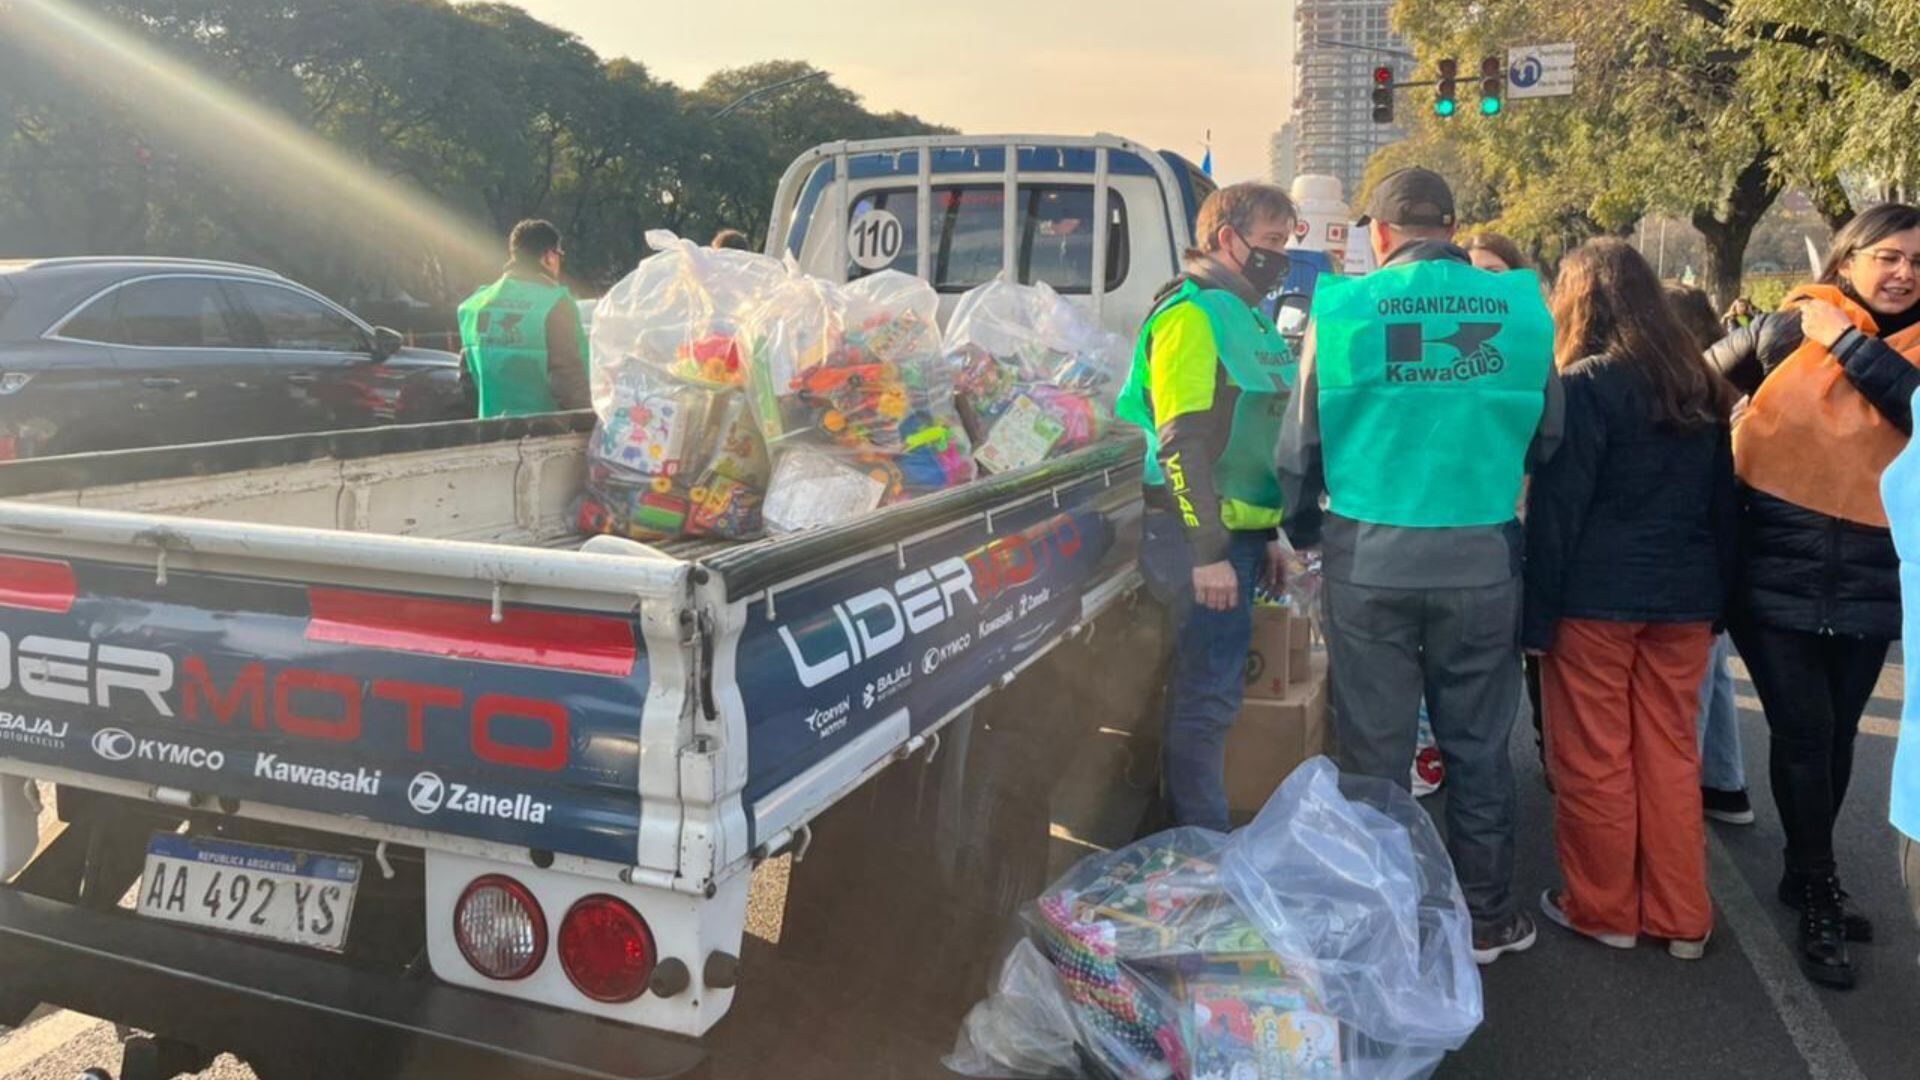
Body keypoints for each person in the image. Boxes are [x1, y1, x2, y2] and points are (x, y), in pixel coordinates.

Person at [1277, 168, 1561, 964]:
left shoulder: (1342, 310)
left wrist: (1305, 532)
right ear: (1454, 225)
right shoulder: (1520, 309)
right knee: (1477, 746)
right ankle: (1486, 918)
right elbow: (1549, 438)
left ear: (1380, 234)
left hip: (1368, 557)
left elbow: (1300, 449)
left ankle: (1382, 918)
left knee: (1375, 750)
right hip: (1481, 556)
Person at [1706, 202, 1920, 989]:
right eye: (1887, 256)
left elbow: (1914, 403)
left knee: (1834, 740)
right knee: (1804, 731)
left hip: (1874, 571)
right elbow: (1692, 374)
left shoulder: (1880, 345)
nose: (1902, 273)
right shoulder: (1792, 324)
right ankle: (1820, 888)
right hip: (1775, 566)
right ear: (1849, 258)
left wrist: (1849, 344)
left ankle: (1806, 872)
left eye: (1917, 263)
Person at [1526, 240, 1737, 960]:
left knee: (1594, 761)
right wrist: (1720, 603)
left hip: (1595, 599)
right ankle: (1684, 916)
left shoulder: (1584, 384)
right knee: (1672, 759)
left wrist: (1536, 617)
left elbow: (1558, 513)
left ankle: (1604, 909)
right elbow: (1723, 506)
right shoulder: (1698, 384)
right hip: (1684, 600)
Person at [1115, 182, 1298, 833]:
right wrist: (1210, 555)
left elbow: (1248, 441)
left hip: (1234, 536)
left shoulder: (1244, 313)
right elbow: (1182, 441)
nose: (1281, 256)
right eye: (1272, 242)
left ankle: (1188, 840)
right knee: (1205, 699)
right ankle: (1202, 853)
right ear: (1227, 238)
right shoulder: (1190, 315)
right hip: (1195, 536)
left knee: (1208, 695)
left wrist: (1268, 533)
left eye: (1285, 243)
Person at [1668, 284, 1755, 825]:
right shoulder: (1733, 385)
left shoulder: (1692, 388)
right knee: (1714, 673)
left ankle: (1687, 801)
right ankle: (1725, 785)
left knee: (1694, 689)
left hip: (1696, 554)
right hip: (1722, 552)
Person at [457, 219, 591, 417]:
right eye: (559, 255)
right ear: (548, 256)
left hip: (491, 430)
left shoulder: (476, 305)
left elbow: (467, 380)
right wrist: (590, 420)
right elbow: (568, 377)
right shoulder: (553, 303)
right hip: (548, 434)